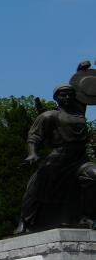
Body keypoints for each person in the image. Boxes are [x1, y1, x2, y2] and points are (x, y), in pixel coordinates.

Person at [16, 83, 96, 233]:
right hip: (59, 159)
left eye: (70, 94)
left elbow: (86, 89)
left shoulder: (79, 114)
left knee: (93, 176)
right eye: (63, 95)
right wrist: (32, 153)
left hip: (80, 159)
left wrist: (83, 75)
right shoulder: (49, 115)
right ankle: (25, 221)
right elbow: (34, 137)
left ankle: (86, 217)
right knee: (38, 186)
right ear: (56, 98)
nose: (67, 97)